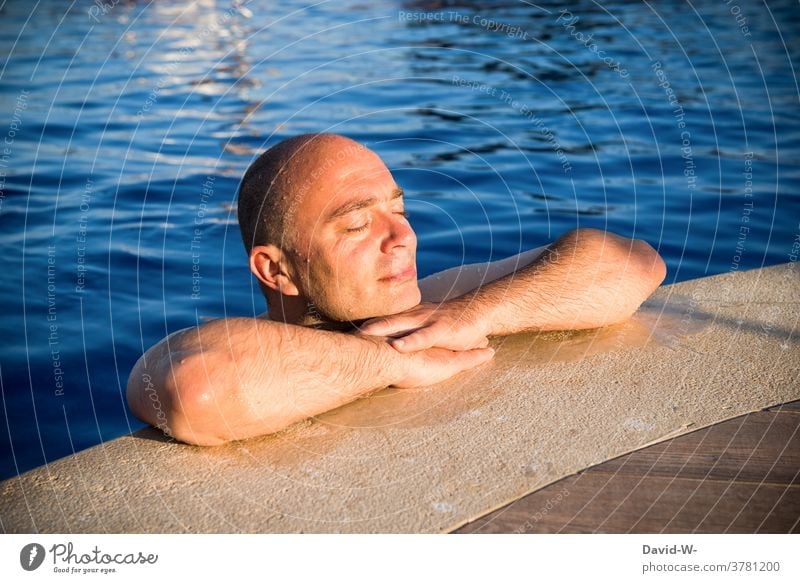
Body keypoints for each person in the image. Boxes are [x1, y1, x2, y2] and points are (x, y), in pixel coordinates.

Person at [127, 133, 666, 446]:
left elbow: (635, 264)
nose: (404, 237)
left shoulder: (437, 307)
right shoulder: (237, 349)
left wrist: (480, 314)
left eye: (400, 209)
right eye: (358, 224)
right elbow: (197, 391)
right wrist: (387, 361)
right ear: (277, 271)